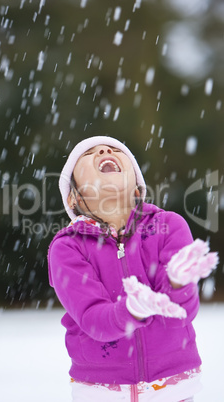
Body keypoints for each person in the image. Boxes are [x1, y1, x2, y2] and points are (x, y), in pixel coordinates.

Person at [47, 136, 218, 402]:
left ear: (137, 190)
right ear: (73, 198)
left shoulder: (169, 226)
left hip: (172, 390)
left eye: (115, 149)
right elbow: (93, 319)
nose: (105, 150)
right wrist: (132, 309)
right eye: (89, 153)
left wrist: (177, 283)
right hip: (101, 391)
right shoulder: (67, 248)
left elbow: (179, 316)